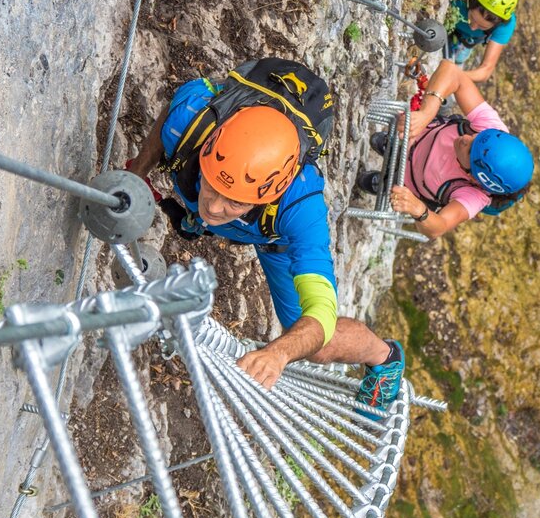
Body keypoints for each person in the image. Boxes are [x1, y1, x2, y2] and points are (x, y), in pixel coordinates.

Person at [126, 58, 404, 414]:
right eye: (213, 186)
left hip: (275, 241)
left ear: (270, 194)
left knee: (315, 343)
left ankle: (385, 356)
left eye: (235, 202)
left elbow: (321, 311)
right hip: (242, 197)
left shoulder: (301, 208)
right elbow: (171, 117)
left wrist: (279, 352)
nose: (214, 206)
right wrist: (139, 171)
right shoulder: (193, 115)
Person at [357, 61, 534, 240]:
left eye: (469, 150)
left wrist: (418, 210)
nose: (466, 138)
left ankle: (388, 182)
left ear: (473, 177)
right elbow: (452, 71)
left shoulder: (474, 196)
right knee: (379, 141)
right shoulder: (492, 130)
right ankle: (393, 146)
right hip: (416, 136)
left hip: (407, 183)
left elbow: (439, 227)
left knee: (365, 181)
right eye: (476, 137)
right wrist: (427, 112)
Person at [444, 0, 521, 84]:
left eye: (482, 26)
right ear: (471, 1)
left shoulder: (505, 25)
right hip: (449, 23)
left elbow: (486, 70)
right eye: (472, 17)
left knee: (459, 58)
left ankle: (461, 51)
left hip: (469, 39)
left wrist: (456, 75)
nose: (473, 27)